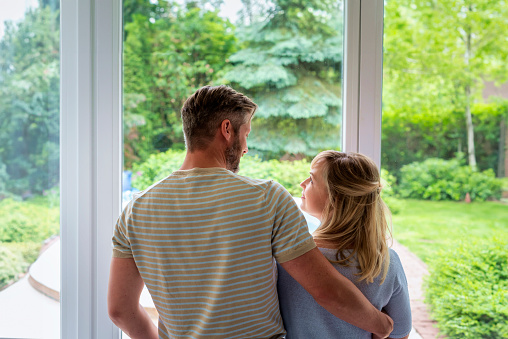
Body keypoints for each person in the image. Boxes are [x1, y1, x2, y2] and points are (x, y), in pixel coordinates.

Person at [107, 85, 393, 339]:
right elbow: (326, 290)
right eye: (246, 134)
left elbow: (120, 310)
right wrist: (382, 325)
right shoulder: (267, 198)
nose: (245, 147)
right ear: (227, 129)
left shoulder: (135, 210)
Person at [277, 151, 412, 339]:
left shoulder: (292, 259)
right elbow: (400, 334)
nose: (303, 184)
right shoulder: (386, 262)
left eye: (312, 179)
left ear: (336, 198)